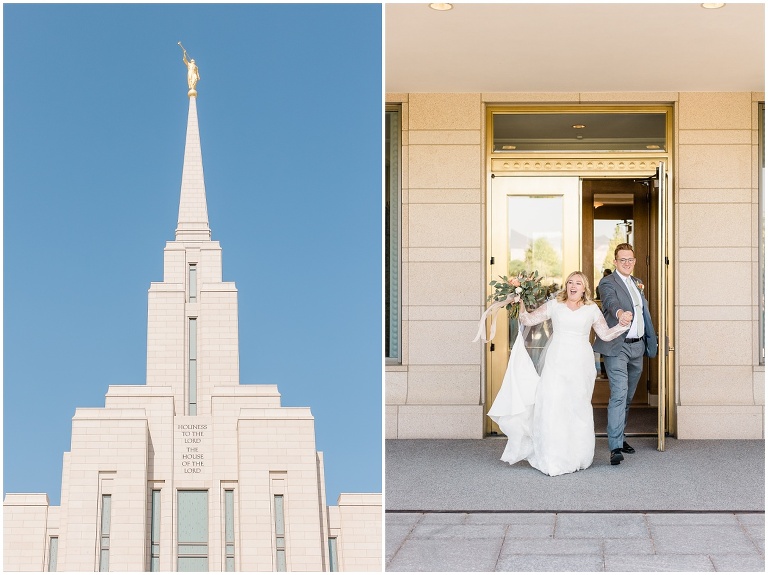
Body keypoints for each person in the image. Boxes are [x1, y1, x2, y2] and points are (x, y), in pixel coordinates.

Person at [487, 271, 631, 477]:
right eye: (570, 282)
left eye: (578, 283)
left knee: (577, 406)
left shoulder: (591, 309)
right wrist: (518, 300)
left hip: (581, 363)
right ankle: (552, 456)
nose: (573, 286)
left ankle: (577, 456)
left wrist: (621, 325)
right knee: (553, 403)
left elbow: (605, 334)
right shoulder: (555, 304)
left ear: (584, 288)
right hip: (556, 361)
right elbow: (528, 320)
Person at [593, 243, 658, 466]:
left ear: (635, 260)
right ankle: (615, 447)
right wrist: (620, 314)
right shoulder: (607, 282)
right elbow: (611, 303)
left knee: (628, 396)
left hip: (637, 347)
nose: (627, 263)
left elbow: (643, 314)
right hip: (617, 347)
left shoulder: (637, 282)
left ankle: (620, 436)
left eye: (630, 259)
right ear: (615, 262)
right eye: (622, 260)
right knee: (619, 394)